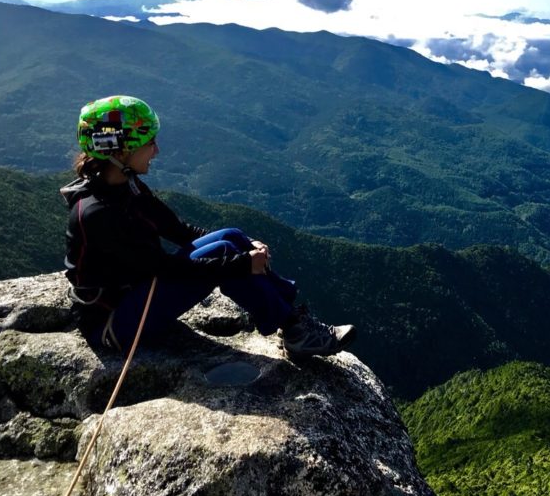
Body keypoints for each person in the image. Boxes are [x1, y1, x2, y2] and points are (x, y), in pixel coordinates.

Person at [61, 94, 355, 359]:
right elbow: (165, 269)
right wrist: (240, 265)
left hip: (135, 296)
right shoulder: (97, 213)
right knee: (227, 251)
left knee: (232, 236)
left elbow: (178, 230)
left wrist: (247, 245)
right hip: (114, 324)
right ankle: (295, 330)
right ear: (121, 152)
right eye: (149, 143)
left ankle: (291, 320)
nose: (156, 150)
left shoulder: (127, 187)